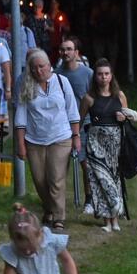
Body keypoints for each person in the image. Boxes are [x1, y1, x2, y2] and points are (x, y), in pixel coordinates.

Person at [15, 49, 81, 231]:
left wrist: (76, 136)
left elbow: (72, 111)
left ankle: (59, 216)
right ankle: (49, 208)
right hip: (34, 139)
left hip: (60, 137)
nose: (38, 71)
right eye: (34, 68)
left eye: (42, 66)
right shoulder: (26, 85)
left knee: (56, 179)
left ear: (49, 65)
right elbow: (20, 117)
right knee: (40, 180)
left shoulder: (62, 82)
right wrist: (20, 144)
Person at [80, 60, 136, 233]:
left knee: (114, 179)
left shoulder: (119, 96)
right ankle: (106, 219)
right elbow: (79, 121)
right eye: (100, 74)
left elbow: (128, 117)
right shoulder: (89, 98)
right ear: (95, 76)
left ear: (111, 76)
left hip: (115, 144)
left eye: (106, 74)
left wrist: (124, 118)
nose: (103, 77)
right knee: (100, 180)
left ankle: (116, 217)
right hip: (95, 143)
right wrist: (75, 138)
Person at [55, 37, 94, 211]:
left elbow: (94, 98)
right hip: (61, 125)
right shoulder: (56, 74)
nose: (66, 52)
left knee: (85, 163)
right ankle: (58, 201)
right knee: (60, 166)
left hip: (83, 123)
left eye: (69, 49)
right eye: (63, 49)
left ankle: (89, 199)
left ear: (76, 52)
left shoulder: (88, 73)